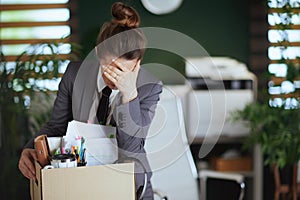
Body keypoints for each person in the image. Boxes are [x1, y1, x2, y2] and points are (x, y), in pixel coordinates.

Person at [18, 2, 162, 199]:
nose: (112, 78)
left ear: (137, 64)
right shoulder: (74, 74)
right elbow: (57, 126)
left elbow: (132, 148)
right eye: (107, 68)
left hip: (129, 183)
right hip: (81, 180)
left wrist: (129, 95)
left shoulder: (150, 87)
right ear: (97, 54)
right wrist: (29, 148)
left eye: (121, 71)